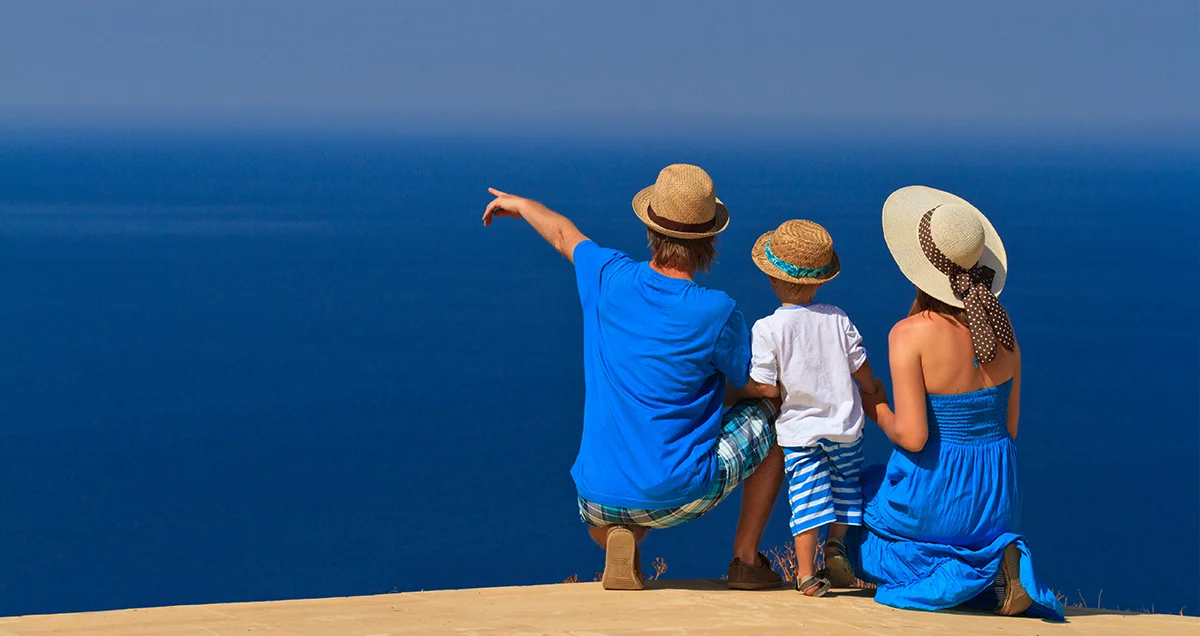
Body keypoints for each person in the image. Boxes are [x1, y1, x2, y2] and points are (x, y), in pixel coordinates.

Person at [482, 164, 785, 591]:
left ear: (651, 229)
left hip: (597, 498)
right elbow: (748, 383)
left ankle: (619, 543)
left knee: (614, 505)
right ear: (708, 239)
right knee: (773, 417)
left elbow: (564, 235)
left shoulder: (607, 275)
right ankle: (746, 559)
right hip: (679, 493)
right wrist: (777, 389)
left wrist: (523, 204)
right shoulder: (716, 310)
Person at [855, 186, 1064, 619]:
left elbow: (914, 438)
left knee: (859, 531)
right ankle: (996, 559)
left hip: (938, 493)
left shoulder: (909, 334)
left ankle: (974, 570)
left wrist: (875, 405)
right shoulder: (1004, 333)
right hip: (997, 500)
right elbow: (1010, 427)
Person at [737, 219, 883, 596]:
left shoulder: (768, 328)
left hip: (800, 432)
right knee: (846, 487)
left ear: (771, 279)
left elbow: (767, 385)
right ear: (820, 282)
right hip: (846, 427)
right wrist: (872, 389)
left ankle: (805, 575)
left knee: (807, 496)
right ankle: (836, 545)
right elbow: (860, 366)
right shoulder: (837, 318)